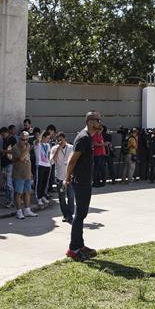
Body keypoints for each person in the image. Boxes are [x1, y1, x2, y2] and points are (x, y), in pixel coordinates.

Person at [64, 111, 100, 261]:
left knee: (82, 214)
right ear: (90, 121)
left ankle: (80, 245)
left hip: (84, 180)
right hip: (81, 182)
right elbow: (72, 160)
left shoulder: (88, 138)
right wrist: (67, 178)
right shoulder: (84, 138)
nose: (100, 122)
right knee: (79, 215)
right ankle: (73, 249)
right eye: (98, 120)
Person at [10, 132, 37, 219]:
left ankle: (27, 210)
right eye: (23, 139)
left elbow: (28, 160)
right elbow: (21, 158)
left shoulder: (26, 146)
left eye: (26, 140)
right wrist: (28, 148)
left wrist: (31, 173)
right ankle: (19, 211)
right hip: (18, 174)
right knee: (18, 193)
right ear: (19, 139)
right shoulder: (15, 147)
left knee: (27, 192)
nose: (25, 141)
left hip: (27, 173)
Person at [51, 132, 75, 222]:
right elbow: (52, 161)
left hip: (69, 176)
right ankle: (65, 215)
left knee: (71, 196)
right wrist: (58, 149)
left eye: (61, 140)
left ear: (65, 139)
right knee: (61, 198)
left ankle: (70, 215)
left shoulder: (71, 148)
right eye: (58, 140)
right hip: (60, 177)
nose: (60, 142)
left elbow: (74, 161)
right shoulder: (54, 148)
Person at [35, 128, 53, 207]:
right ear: (43, 137)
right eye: (47, 138)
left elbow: (48, 155)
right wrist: (42, 133)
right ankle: (38, 198)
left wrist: (49, 163)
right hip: (40, 165)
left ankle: (42, 196)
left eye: (49, 138)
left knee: (45, 182)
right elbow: (37, 140)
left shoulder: (48, 145)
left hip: (47, 165)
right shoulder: (37, 144)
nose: (48, 140)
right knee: (39, 182)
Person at [0, 127, 16, 209]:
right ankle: (7, 200)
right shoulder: (5, 140)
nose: (2, 136)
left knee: (9, 183)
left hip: (10, 163)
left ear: (7, 132)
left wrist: (3, 151)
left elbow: (14, 151)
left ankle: (11, 201)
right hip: (5, 163)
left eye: (3, 135)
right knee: (6, 184)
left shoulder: (12, 139)